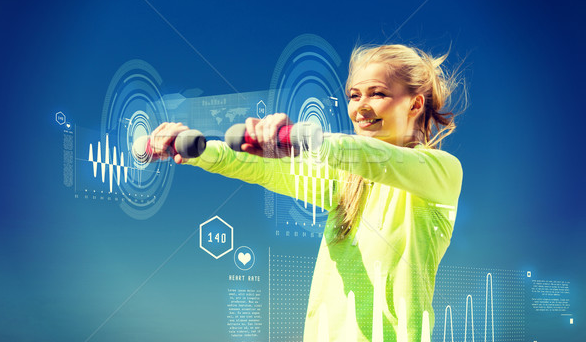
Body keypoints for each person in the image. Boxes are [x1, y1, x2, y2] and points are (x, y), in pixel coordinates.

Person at [148, 44, 463, 341]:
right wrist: (197, 148)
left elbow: (375, 158)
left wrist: (306, 139)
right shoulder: (345, 180)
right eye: (354, 96)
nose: (361, 107)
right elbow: (266, 168)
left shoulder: (440, 173)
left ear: (415, 103)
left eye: (377, 93)